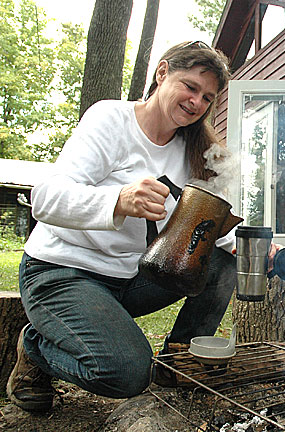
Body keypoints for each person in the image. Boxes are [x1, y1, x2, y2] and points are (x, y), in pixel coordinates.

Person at [6, 41, 252, 412]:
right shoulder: (111, 120)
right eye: (190, 87)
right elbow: (45, 199)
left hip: (132, 278)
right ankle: (35, 348)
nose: (196, 102)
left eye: (207, 97)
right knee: (126, 374)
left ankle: (178, 360)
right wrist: (118, 200)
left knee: (223, 262)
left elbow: (208, 226)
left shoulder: (193, 149)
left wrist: (249, 247)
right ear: (163, 73)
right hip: (62, 272)